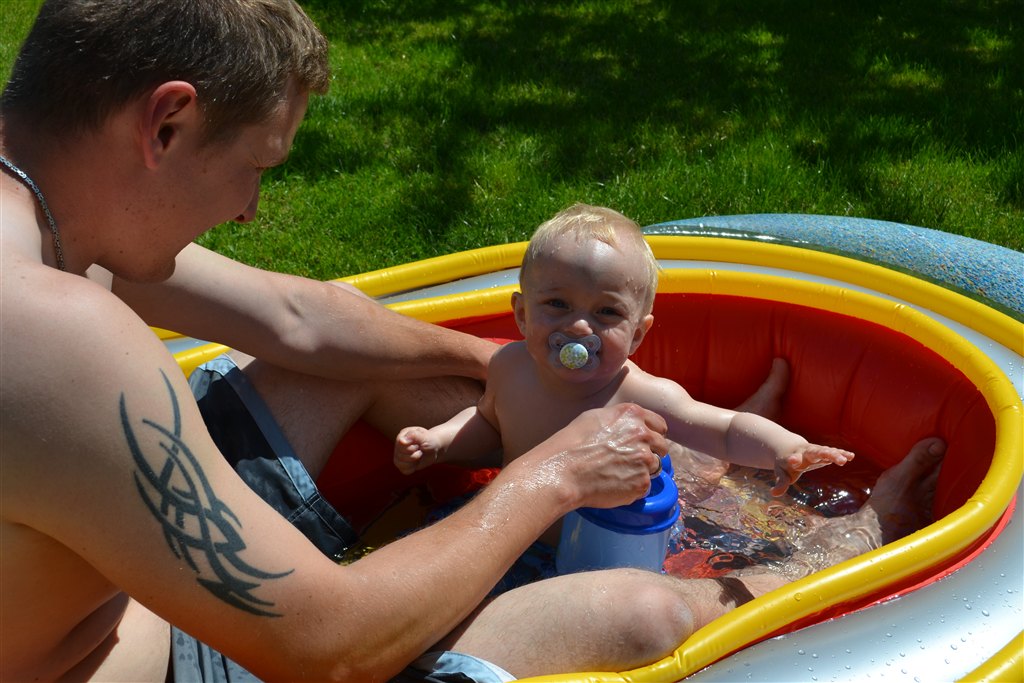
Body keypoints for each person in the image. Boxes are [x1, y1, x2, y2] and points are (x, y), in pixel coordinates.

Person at [0, 2, 944, 682]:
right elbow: (328, 648)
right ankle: (836, 547)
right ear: (167, 123)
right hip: (208, 658)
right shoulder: (59, 333)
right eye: (258, 163)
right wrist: (557, 474)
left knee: (354, 360)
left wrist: (499, 365)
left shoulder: (54, 214)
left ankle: (693, 480)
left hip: (131, 590)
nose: (249, 209)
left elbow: (301, 321)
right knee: (637, 609)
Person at [395, 204, 854, 550]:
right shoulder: (509, 366)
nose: (579, 327)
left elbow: (725, 430)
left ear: (637, 334)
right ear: (521, 314)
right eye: (557, 304)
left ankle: (841, 529)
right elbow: (489, 421)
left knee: (735, 519)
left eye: (607, 312)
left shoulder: (638, 394)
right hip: (523, 536)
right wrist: (441, 439)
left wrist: (783, 447)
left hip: (612, 547)